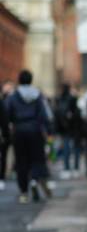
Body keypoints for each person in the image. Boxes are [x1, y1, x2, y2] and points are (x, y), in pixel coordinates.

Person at [5, 70, 53, 203]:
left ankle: (24, 192)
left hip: (19, 132)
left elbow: (6, 114)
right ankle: (34, 180)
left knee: (21, 162)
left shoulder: (13, 96)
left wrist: (7, 130)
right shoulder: (38, 96)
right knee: (37, 159)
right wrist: (49, 132)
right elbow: (45, 115)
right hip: (35, 131)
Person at [54, 83, 82, 179]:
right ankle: (76, 168)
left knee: (66, 147)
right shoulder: (73, 99)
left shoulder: (59, 99)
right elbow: (78, 113)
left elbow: (56, 114)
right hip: (75, 127)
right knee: (76, 147)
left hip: (64, 128)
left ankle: (66, 168)